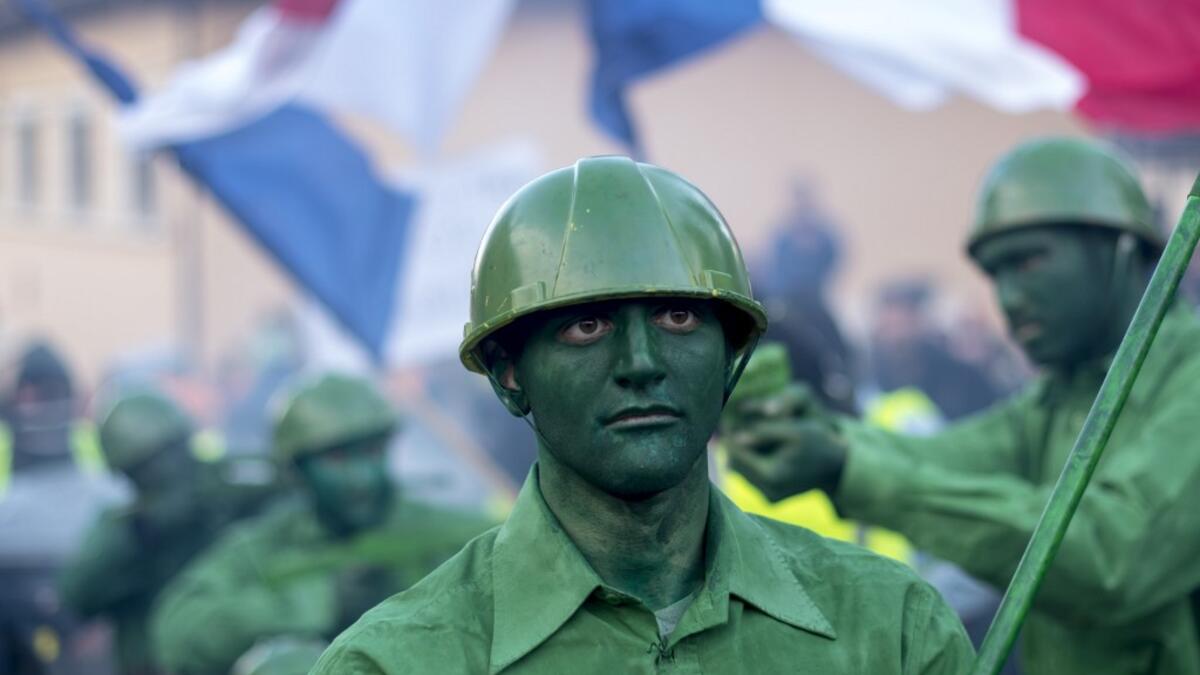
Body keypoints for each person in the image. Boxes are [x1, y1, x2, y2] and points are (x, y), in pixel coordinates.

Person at [312, 156, 973, 673]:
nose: (641, 363)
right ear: (509, 375)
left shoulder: (890, 627)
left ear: (731, 360)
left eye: (677, 317)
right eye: (587, 326)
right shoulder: (397, 661)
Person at [726, 137, 1200, 675]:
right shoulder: (1063, 394)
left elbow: (1111, 557)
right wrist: (822, 436)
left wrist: (844, 466)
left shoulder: (1189, 377)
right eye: (995, 274)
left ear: (1122, 250)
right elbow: (944, 458)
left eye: (1029, 260)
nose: (1009, 297)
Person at [150, 373, 493, 675]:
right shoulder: (263, 548)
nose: (360, 478)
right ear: (296, 468)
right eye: (337, 459)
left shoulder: (456, 536)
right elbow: (179, 636)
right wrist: (317, 600)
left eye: (371, 452)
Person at [59, 389, 280, 674]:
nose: (164, 468)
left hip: (247, 656)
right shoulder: (127, 526)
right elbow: (77, 593)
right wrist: (143, 532)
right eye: (144, 466)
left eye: (169, 452)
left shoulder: (230, 482)